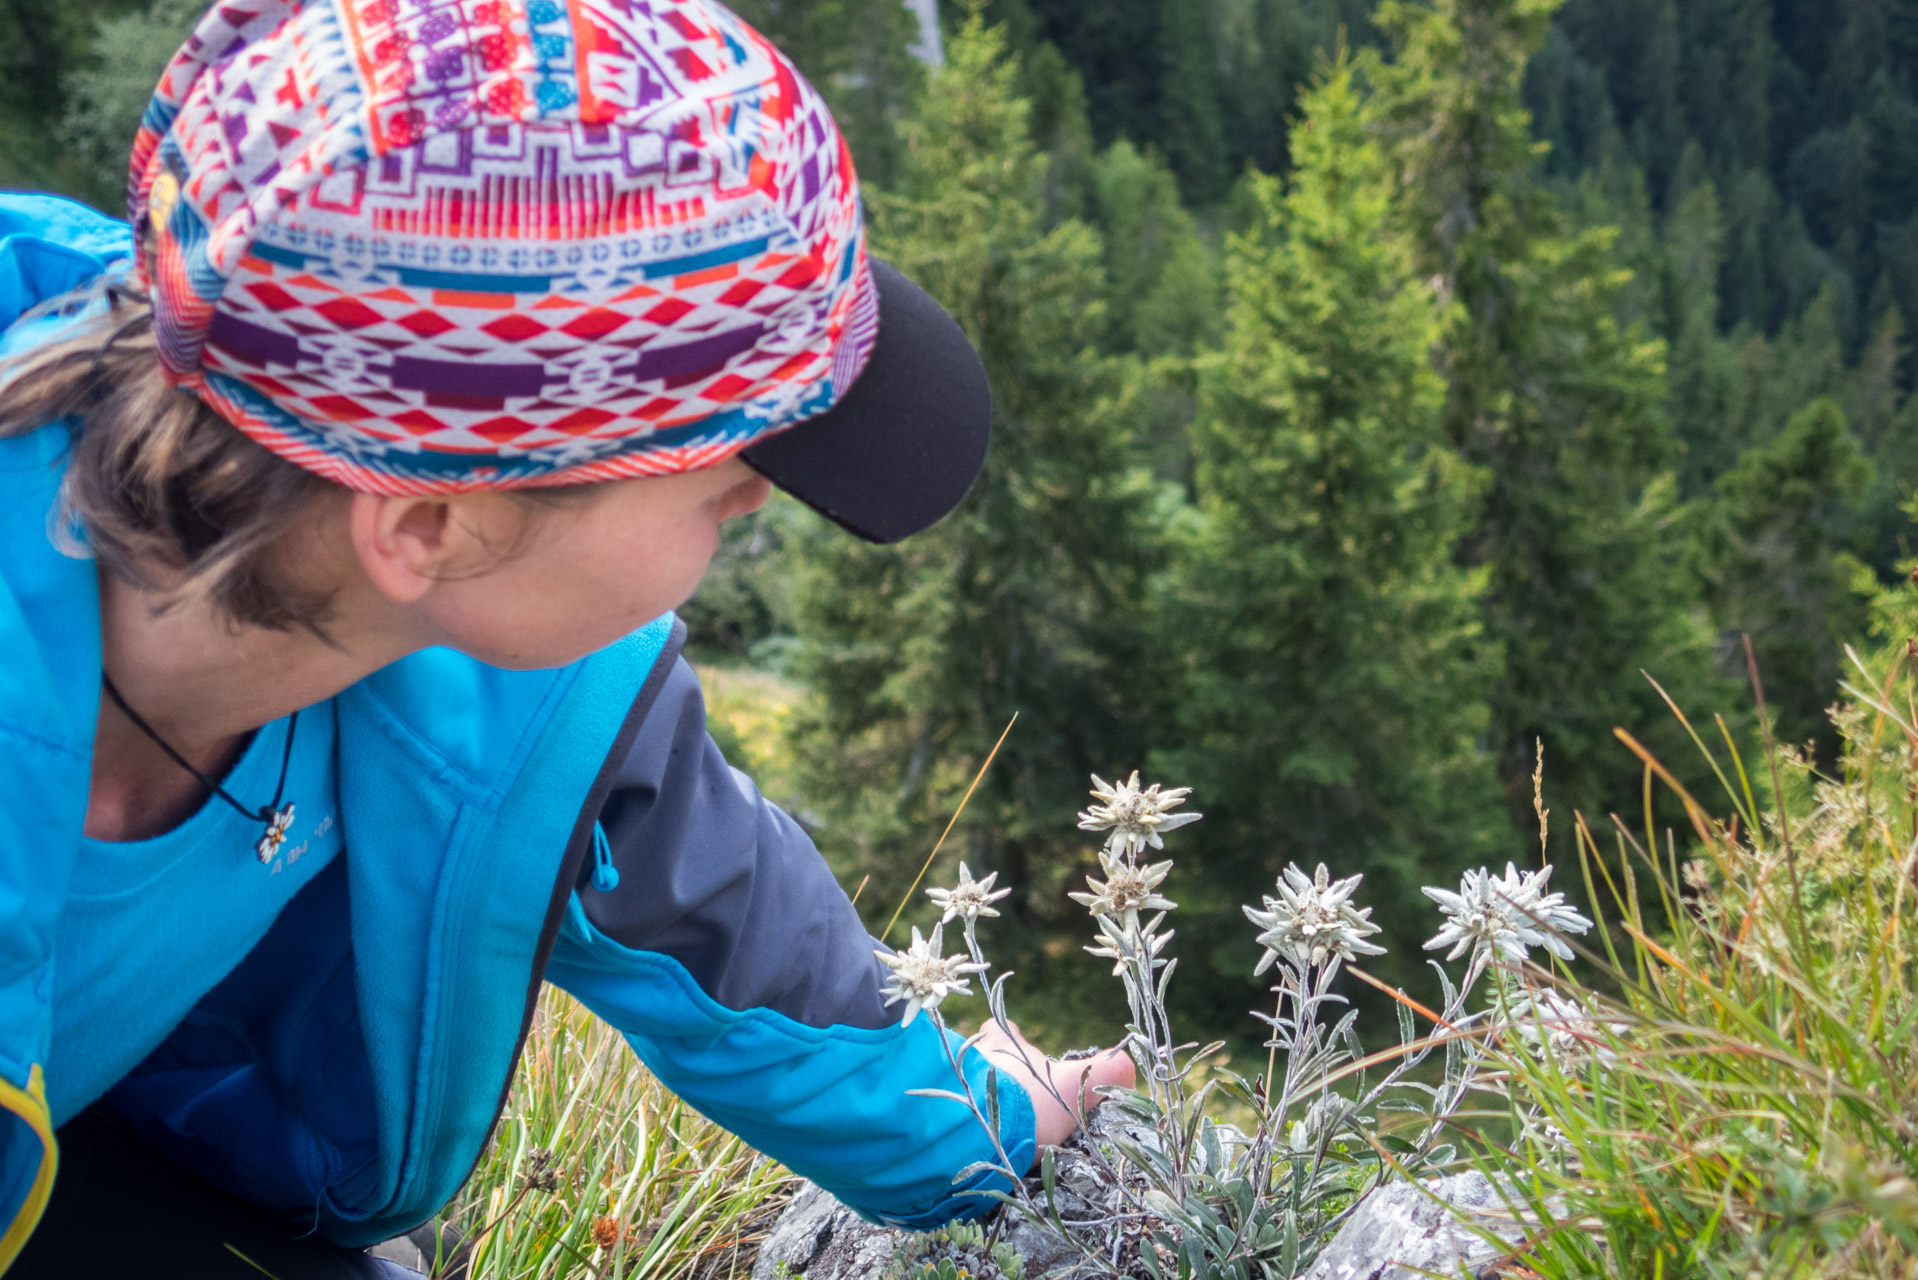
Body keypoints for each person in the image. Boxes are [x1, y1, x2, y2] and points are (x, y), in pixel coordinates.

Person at [0, 0, 1133, 1273]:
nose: (762, 496)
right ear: (431, 520)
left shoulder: (468, 634)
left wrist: (977, 1121)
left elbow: (716, 905)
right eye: (728, 469)